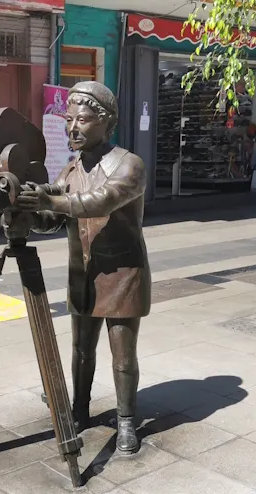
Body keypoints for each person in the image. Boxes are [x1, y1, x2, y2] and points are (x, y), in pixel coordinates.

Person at [15, 82, 151, 454]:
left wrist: (52, 200)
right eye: (68, 119)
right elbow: (52, 218)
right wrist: (26, 209)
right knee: (80, 350)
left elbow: (99, 201)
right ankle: (80, 408)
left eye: (83, 120)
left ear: (106, 122)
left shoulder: (129, 165)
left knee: (123, 354)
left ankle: (126, 421)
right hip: (84, 275)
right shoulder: (71, 170)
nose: (72, 127)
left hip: (122, 274)